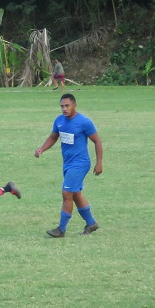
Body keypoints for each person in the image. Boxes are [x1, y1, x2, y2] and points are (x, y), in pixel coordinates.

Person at [35, 93, 103, 237]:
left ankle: (61, 229)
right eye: (62, 106)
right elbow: (53, 137)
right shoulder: (59, 121)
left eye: (67, 106)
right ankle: (91, 223)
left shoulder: (84, 122)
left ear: (74, 105)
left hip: (80, 163)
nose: (64, 109)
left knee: (67, 193)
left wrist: (99, 163)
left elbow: (97, 141)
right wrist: (42, 149)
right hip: (68, 164)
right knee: (75, 193)